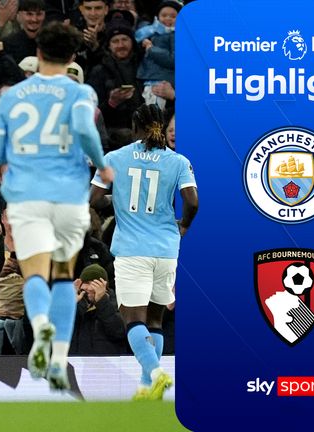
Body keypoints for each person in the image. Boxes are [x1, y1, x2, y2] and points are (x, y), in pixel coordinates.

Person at [0, 21, 113, 390]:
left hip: (27, 197)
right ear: (73, 56)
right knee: (61, 279)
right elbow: (87, 133)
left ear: (38, 53)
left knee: (35, 275)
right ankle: (57, 358)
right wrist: (101, 163)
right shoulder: (80, 92)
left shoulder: (11, 96)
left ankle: (40, 328)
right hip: (69, 198)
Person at [90, 103, 198, 400]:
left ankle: (156, 372)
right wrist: (184, 226)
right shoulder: (178, 161)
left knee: (132, 319)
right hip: (165, 249)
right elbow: (192, 202)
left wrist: (118, 197)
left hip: (132, 250)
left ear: (135, 128)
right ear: (161, 127)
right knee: (155, 319)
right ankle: (146, 387)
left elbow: (94, 198)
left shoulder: (114, 158)